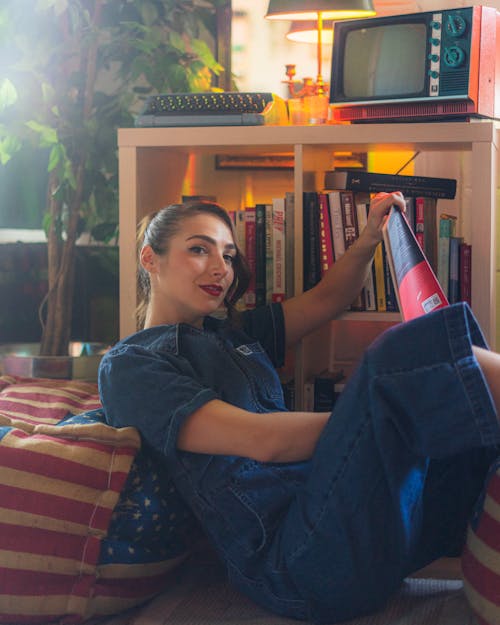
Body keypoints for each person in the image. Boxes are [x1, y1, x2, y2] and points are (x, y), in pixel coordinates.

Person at [98, 196, 500, 624]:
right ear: (150, 259)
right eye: (199, 249)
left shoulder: (235, 335)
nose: (221, 268)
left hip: (356, 522)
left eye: (229, 255)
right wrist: (379, 413)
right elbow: (261, 439)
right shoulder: (130, 365)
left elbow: (327, 299)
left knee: (459, 379)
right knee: (394, 360)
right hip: (297, 564)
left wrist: (368, 238)